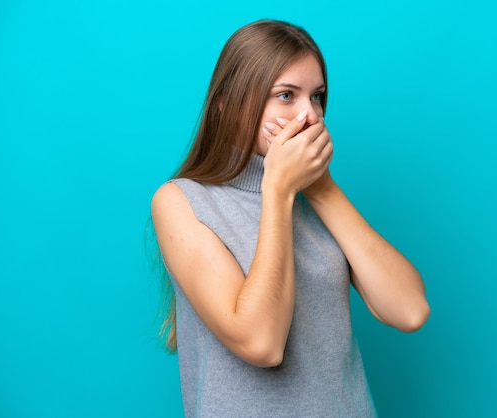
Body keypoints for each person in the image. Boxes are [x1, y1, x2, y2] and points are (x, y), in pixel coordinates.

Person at [151, 19, 430, 417]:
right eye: (286, 95)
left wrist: (321, 188)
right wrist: (278, 191)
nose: (310, 116)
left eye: (317, 97)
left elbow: (410, 310)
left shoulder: (314, 201)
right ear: (226, 103)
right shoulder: (181, 202)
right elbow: (261, 343)